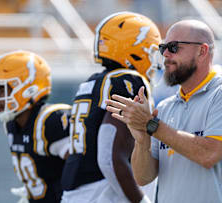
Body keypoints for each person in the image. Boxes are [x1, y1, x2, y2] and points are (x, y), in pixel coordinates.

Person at [106, 19, 222, 203]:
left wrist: (150, 125)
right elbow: (143, 177)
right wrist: (142, 138)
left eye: (174, 47)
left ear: (202, 51)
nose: (166, 55)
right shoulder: (165, 107)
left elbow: (209, 154)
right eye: (163, 48)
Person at [60, 12, 162, 203]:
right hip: (102, 193)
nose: (153, 61)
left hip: (75, 193)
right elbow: (108, 157)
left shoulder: (91, 83)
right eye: (151, 52)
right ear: (134, 49)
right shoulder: (127, 80)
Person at [0, 50, 72, 203]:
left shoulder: (52, 120)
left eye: (3, 88)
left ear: (29, 88)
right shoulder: (11, 123)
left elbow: (84, 170)